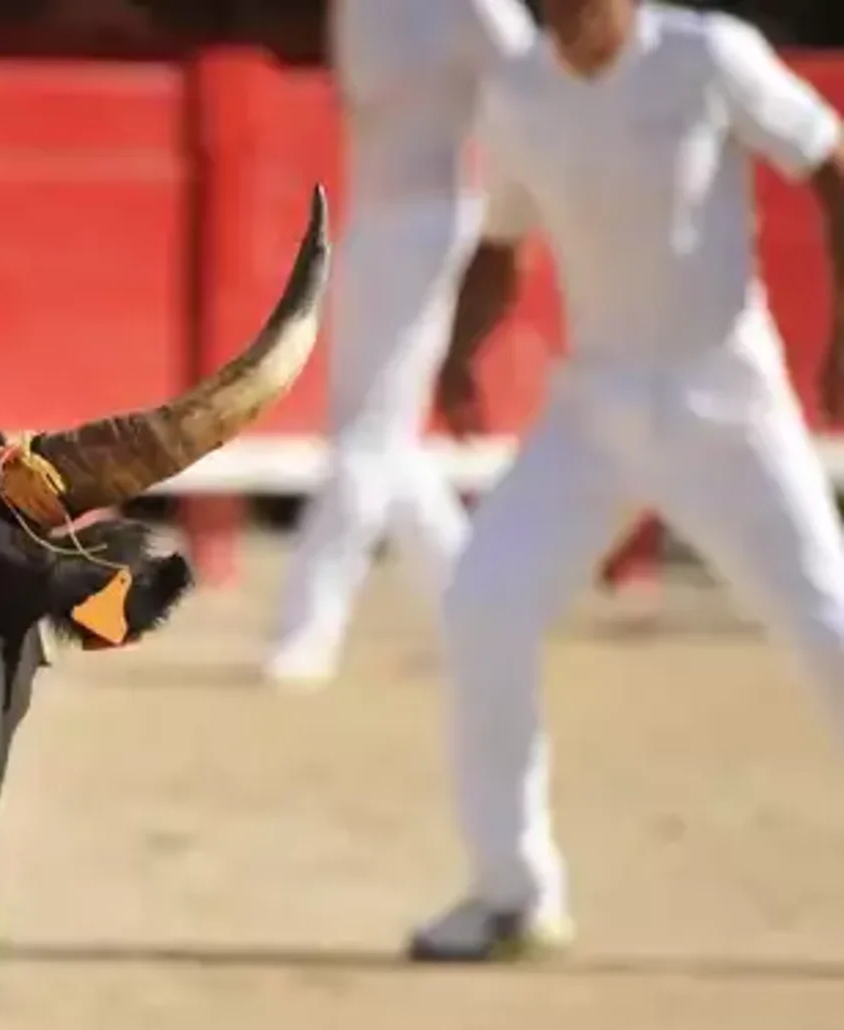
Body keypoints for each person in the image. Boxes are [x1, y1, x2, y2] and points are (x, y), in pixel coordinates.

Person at [410, 0, 844, 962]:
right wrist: (460, 351)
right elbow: (504, 237)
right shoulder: (520, 87)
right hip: (595, 406)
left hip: (727, 399)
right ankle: (513, 891)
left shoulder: (707, 55)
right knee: (484, 603)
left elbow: (829, 161)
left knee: (832, 628)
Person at [265, 0, 538, 687]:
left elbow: (538, 84)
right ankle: (484, 613)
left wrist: (516, 200)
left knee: (366, 436)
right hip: (377, 219)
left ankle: (309, 628)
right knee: (383, 439)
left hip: (434, 218)